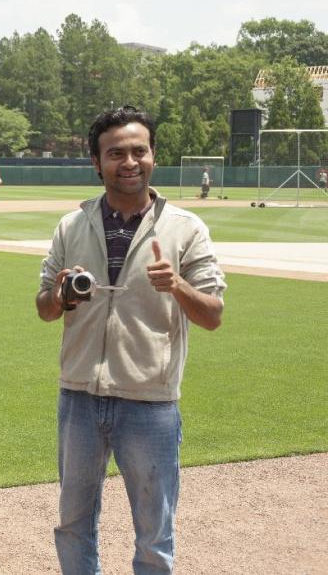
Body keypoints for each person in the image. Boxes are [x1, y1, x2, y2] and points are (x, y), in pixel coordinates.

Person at [35, 106, 226, 574]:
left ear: (153, 156)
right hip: (79, 395)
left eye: (139, 151)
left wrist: (177, 285)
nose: (129, 161)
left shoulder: (186, 228)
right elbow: (43, 308)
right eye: (115, 152)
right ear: (96, 163)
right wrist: (60, 294)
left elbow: (214, 315)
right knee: (73, 523)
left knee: (154, 534)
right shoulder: (72, 225)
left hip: (150, 400)